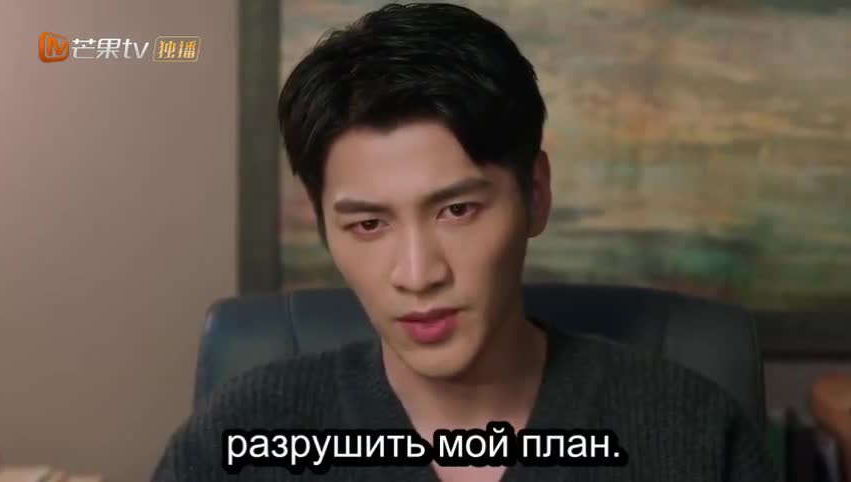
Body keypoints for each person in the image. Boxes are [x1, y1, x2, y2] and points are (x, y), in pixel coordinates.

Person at [152, 3, 778, 481]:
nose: (417, 273)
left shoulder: (692, 435)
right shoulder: (241, 437)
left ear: (536, 193)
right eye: (368, 224)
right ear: (323, 226)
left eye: (457, 210)